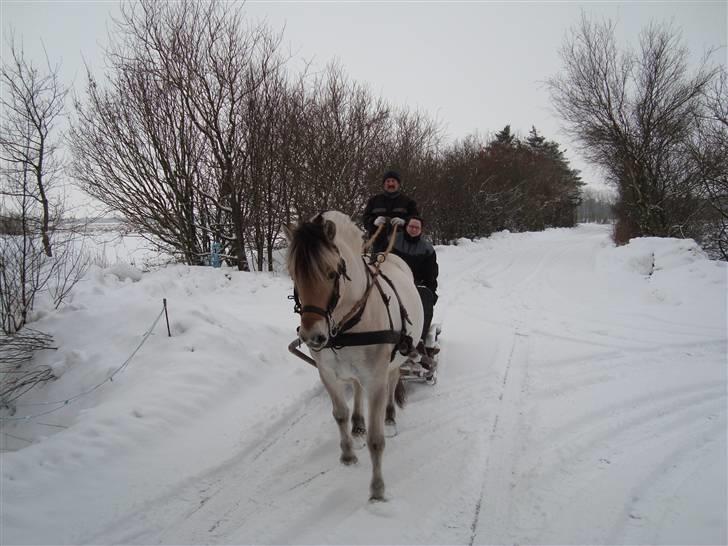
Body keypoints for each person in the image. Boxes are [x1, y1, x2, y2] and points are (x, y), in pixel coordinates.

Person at [391, 215, 439, 350]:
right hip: (393, 279)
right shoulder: (393, 240)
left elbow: (431, 274)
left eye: (417, 227)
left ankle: (418, 341)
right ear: (406, 227)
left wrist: (431, 292)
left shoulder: (427, 249)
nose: (413, 229)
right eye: (411, 226)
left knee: (425, 296)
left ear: (421, 230)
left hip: (416, 284)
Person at [362, 170, 419, 254]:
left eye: (393, 181)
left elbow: (417, 221)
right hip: (377, 246)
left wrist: (405, 222)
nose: (390, 184)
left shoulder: (408, 202)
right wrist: (374, 221)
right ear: (384, 184)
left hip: (402, 247)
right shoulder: (373, 201)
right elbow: (365, 220)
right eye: (388, 181)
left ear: (398, 184)